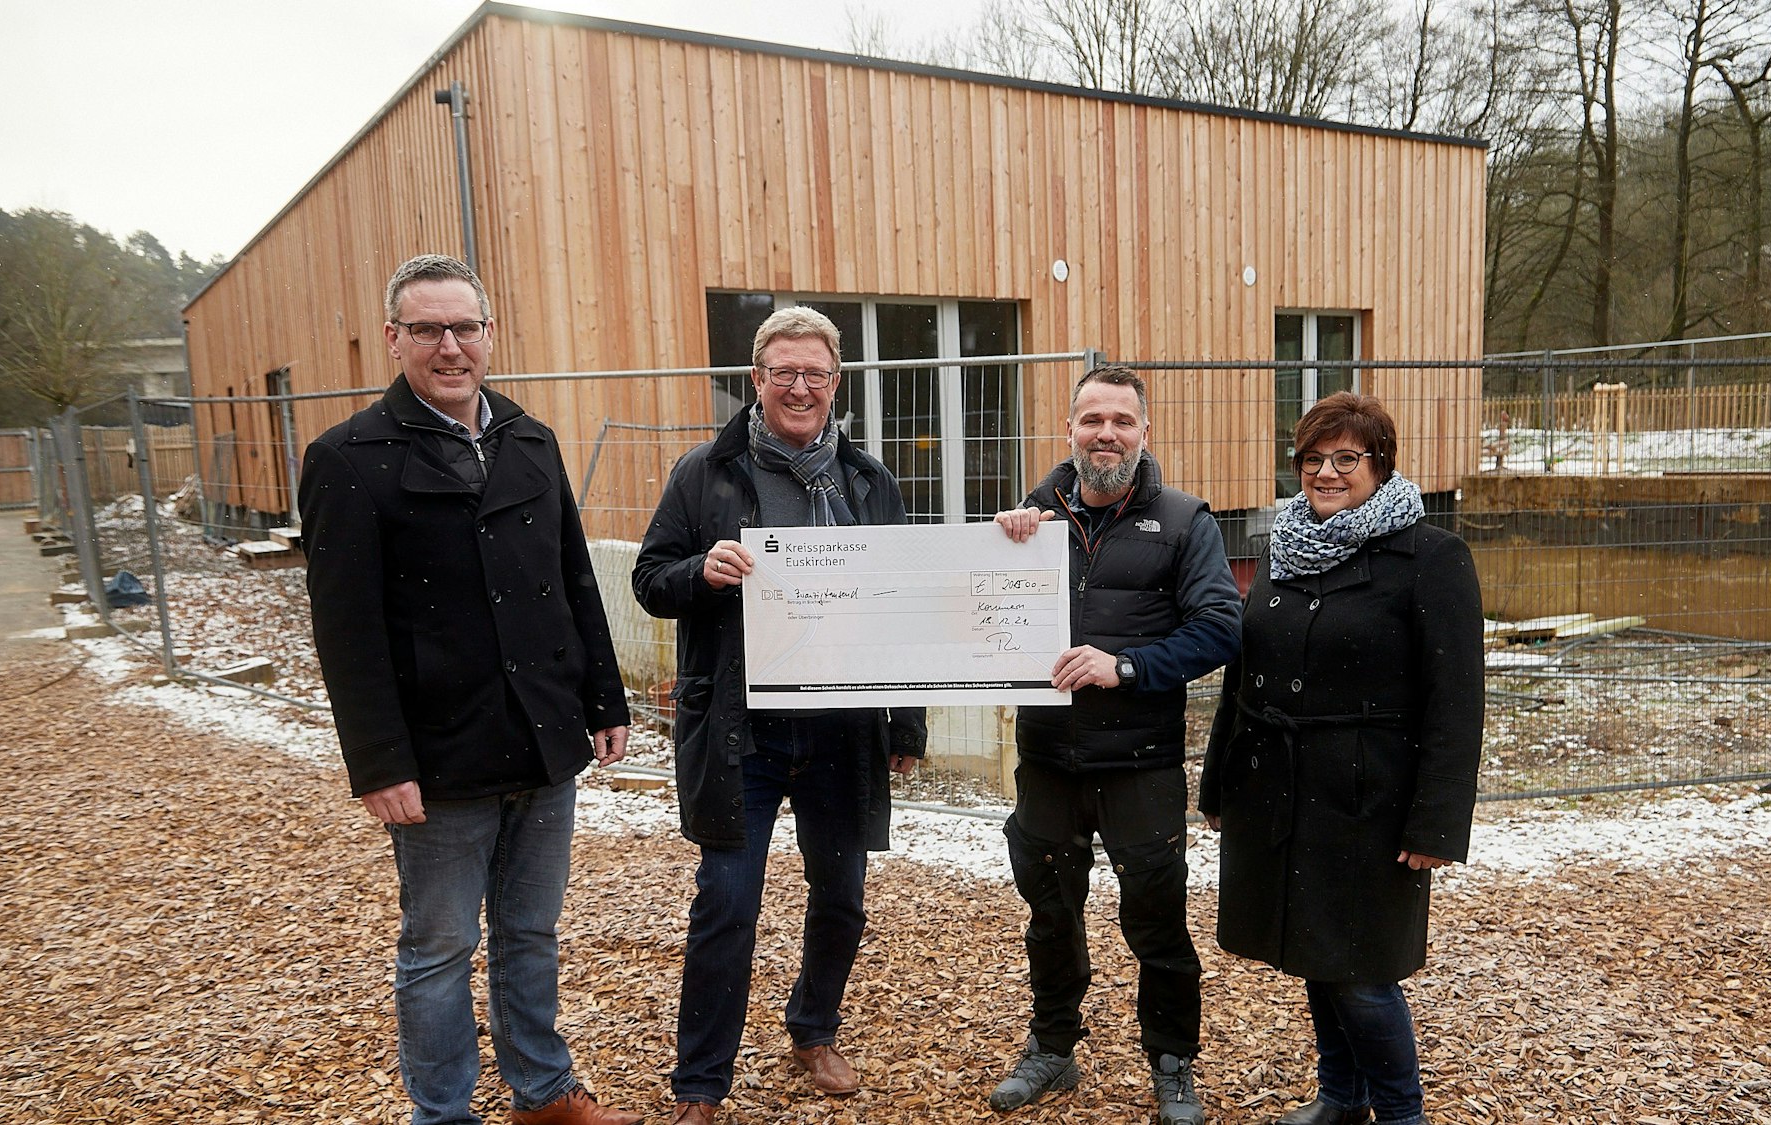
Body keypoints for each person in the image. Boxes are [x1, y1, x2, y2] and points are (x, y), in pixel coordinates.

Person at [299, 254, 639, 1125]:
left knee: (530, 933)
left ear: (490, 335)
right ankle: (444, 1112)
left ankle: (543, 1091)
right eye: (427, 329)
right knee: (440, 946)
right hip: (438, 753)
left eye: (465, 327)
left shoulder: (530, 437)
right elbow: (347, 632)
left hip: (540, 736)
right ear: (394, 339)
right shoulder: (348, 458)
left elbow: (572, 580)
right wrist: (379, 760)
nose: (449, 347)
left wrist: (603, 699)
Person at [632, 306, 928, 1125]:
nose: (801, 387)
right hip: (742, 730)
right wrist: (702, 569)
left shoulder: (868, 482)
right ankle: (700, 1082)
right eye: (784, 371)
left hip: (842, 731)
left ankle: (813, 1027)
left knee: (841, 895)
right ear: (756, 379)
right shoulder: (706, 473)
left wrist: (906, 723)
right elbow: (650, 579)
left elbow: (898, 605)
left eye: (817, 373)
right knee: (727, 901)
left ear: (837, 384)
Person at [1199, 392, 1483, 1125]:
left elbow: (1456, 700)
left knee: (1360, 968)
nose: (1326, 472)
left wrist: (1436, 823)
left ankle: (1400, 1112)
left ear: (1380, 465)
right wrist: (1220, 781)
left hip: (1369, 798)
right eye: (1312, 458)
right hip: (1279, 788)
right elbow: (1244, 667)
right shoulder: (1286, 546)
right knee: (1312, 951)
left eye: (1346, 458)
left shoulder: (1432, 557)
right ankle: (1341, 1096)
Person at [987, 365, 1243, 1125]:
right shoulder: (1029, 520)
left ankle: (1172, 1062)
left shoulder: (1186, 519)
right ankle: (1052, 1047)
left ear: (1144, 432)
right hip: (1049, 761)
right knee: (1050, 913)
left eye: (1122, 421)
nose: (1107, 433)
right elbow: (981, 615)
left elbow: (1220, 628)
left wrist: (1124, 665)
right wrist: (1001, 546)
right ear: (1069, 430)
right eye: (1092, 419)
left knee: (1157, 920)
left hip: (1141, 763)